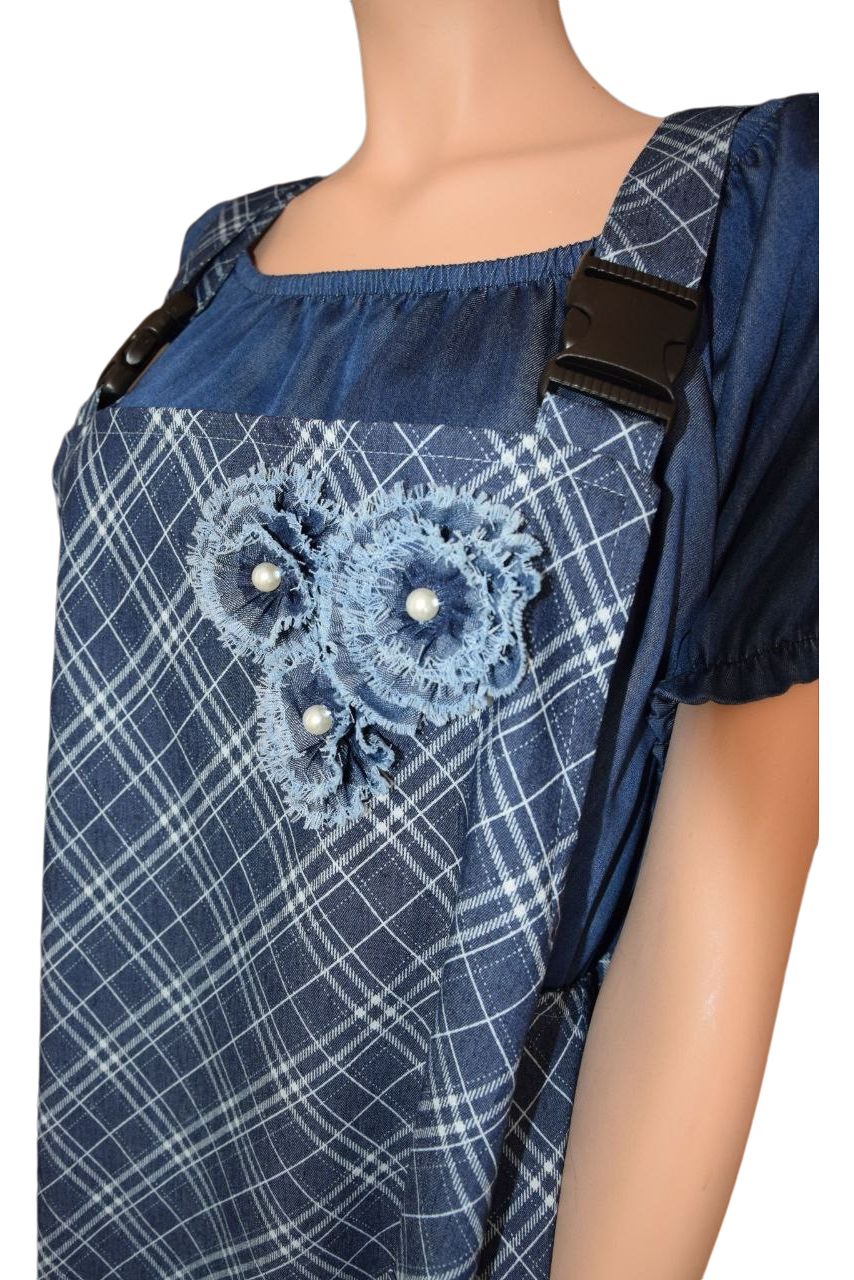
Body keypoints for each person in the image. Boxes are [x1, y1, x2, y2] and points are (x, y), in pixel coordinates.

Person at [38, 2, 818, 1277]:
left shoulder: (758, 210)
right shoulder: (214, 263)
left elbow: (720, 890)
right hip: (115, 1141)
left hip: (427, 1187)